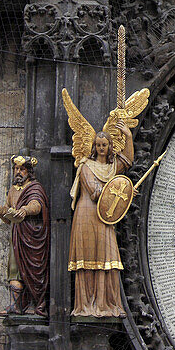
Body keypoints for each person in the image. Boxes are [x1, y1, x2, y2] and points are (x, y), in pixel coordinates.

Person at [69, 122, 134, 316]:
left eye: (104, 145)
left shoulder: (113, 167)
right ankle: (87, 305)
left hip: (105, 216)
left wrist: (128, 137)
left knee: (108, 256)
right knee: (90, 257)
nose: (101, 148)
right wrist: (121, 190)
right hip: (87, 214)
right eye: (98, 145)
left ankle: (107, 304)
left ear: (109, 146)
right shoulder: (86, 167)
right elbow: (96, 193)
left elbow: (128, 160)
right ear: (94, 147)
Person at [0, 155, 49, 315]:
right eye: (16, 169)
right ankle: (16, 305)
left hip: (31, 235)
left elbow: (37, 205)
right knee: (14, 270)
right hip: (17, 234)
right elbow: (8, 217)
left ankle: (34, 305)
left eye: (22, 169)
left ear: (29, 171)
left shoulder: (35, 187)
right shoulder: (12, 191)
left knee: (32, 270)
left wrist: (24, 210)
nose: (18, 172)